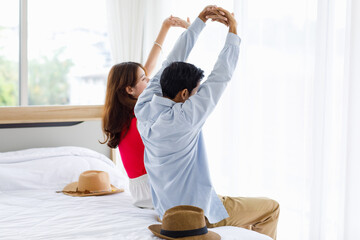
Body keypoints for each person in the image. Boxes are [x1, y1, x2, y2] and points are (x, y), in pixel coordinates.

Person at [134, 5, 280, 240]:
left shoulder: (143, 107)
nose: (198, 94)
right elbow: (221, 76)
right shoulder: (184, 118)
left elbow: (170, 62)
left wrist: (199, 23)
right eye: (196, 91)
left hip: (166, 213)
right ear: (183, 94)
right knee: (271, 208)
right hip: (196, 214)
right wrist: (233, 29)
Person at [101, 15, 190, 208]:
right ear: (129, 90)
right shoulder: (143, 114)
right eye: (143, 79)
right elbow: (157, 71)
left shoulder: (123, 115)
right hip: (155, 189)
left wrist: (165, 27)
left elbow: (146, 71)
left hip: (139, 193)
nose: (148, 80)